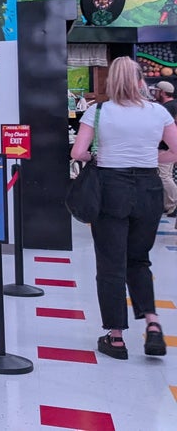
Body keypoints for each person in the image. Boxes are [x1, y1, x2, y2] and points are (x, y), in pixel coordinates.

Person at [70, 57, 177, 359]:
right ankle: (153, 324)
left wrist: (100, 158)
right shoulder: (157, 112)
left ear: (111, 81)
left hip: (111, 189)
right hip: (148, 190)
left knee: (111, 263)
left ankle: (116, 337)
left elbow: (78, 151)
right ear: (140, 80)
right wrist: (149, 160)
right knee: (138, 259)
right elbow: (175, 151)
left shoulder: (98, 111)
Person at [155, 81, 177, 216]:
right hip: (172, 147)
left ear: (162, 92)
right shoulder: (174, 105)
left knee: (164, 176)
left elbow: (163, 130)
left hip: (166, 148)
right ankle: (168, 204)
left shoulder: (167, 108)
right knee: (165, 175)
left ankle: (174, 203)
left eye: (156, 90)